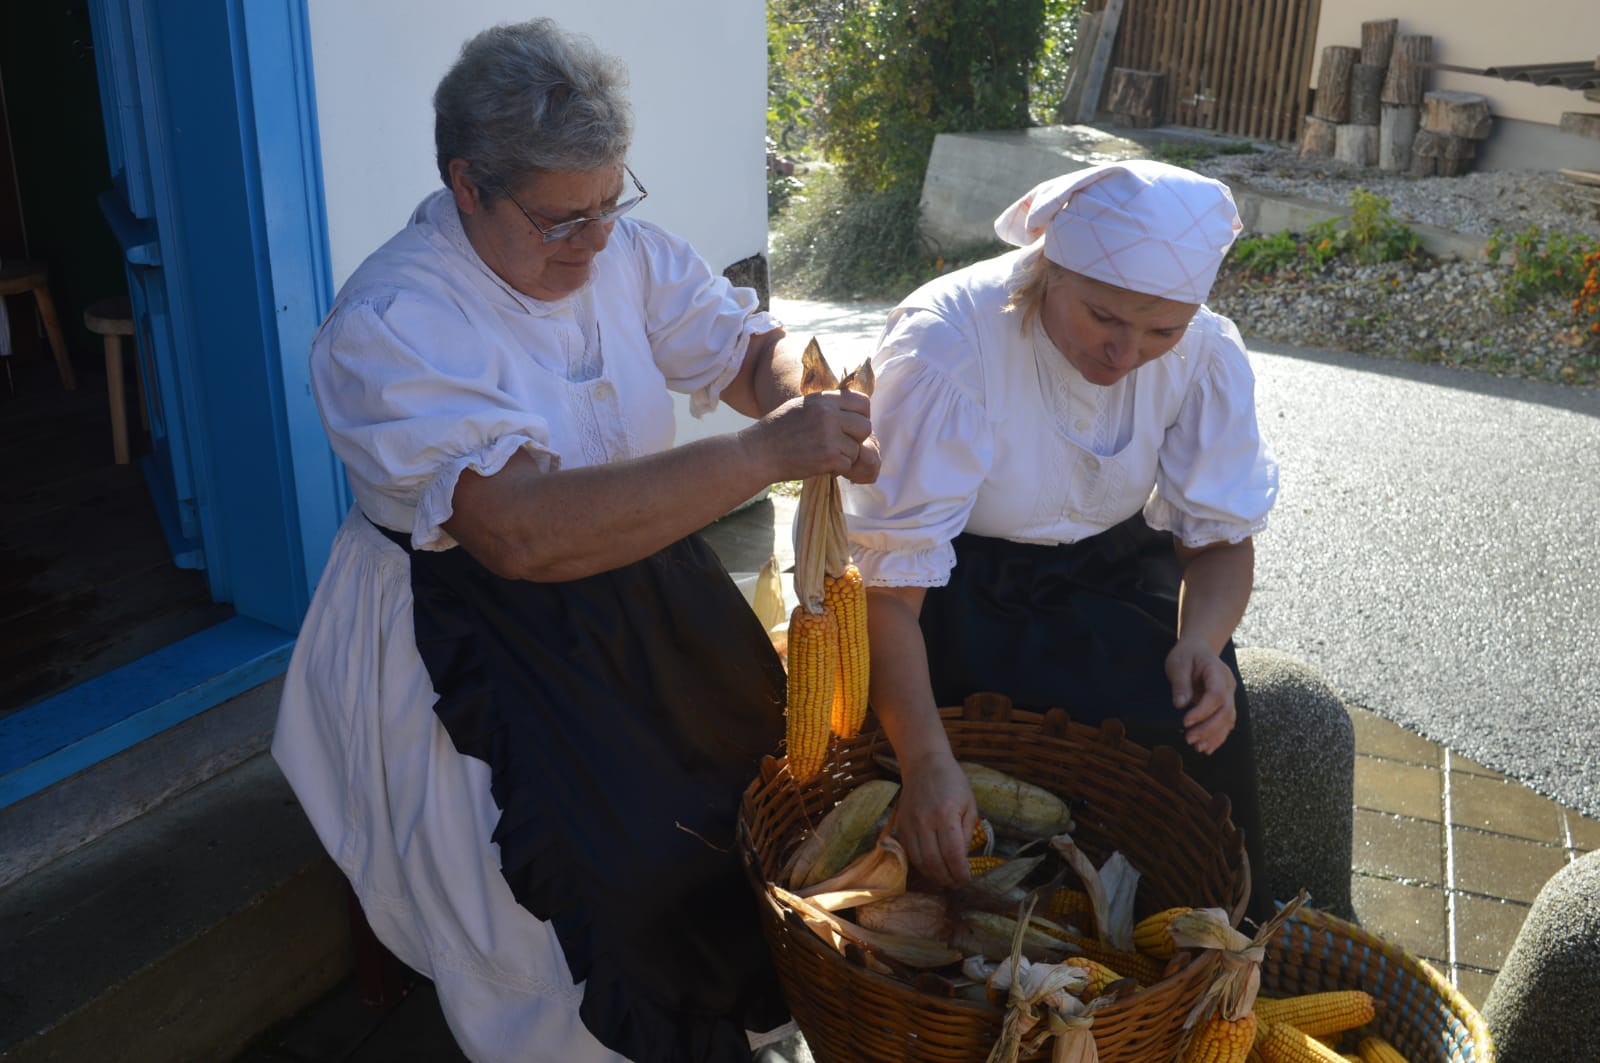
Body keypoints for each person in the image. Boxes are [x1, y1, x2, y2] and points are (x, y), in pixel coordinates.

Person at [271, 19, 875, 1063]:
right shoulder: (394, 320)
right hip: (471, 625)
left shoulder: (618, 248)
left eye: (610, 203)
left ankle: (735, 1023)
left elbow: (744, 350)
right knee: (580, 887)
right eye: (560, 221)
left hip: (642, 583)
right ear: (467, 184)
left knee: (759, 802)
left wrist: (804, 395)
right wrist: (763, 455)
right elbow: (515, 535)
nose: (595, 242)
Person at [841, 161, 1278, 917]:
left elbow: (1216, 543)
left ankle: (1193, 967)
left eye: (1160, 330)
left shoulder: (1201, 353)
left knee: (1189, 740)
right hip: (953, 593)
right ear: (1051, 269)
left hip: (1112, 576)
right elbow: (886, 589)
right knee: (989, 813)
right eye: (1104, 318)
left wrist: (1203, 639)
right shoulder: (949, 348)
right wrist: (924, 759)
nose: (1127, 352)